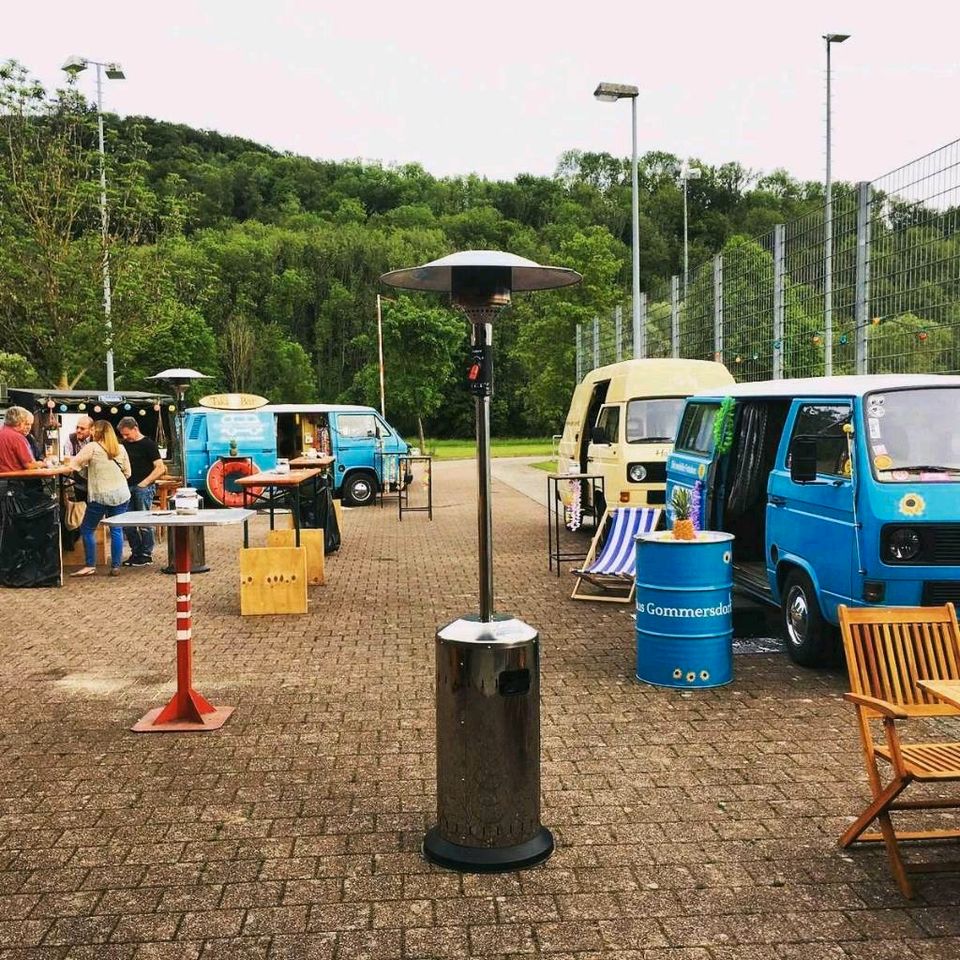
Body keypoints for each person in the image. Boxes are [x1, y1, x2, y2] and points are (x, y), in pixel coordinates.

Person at [67, 420, 131, 577]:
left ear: (97, 432)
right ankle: (115, 566)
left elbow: (74, 464)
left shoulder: (92, 447)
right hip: (121, 493)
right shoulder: (120, 448)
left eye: (93, 430)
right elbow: (128, 473)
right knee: (116, 528)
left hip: (100, 494)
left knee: (87, 529)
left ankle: (90, 565)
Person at [117, 416, 165, 566]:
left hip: (143, 487)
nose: (125, 437)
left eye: (127, 434)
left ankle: (146, 553)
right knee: (127, 523)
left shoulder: (148, 444)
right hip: (126, 487)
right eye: (123, 435)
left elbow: (160, 467)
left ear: (135, 429)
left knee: (144, 521)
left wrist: (145, 482)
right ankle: (136, 551)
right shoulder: (123, 445)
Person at [0, 406, 44, 472]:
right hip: (16, 478)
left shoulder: (2, 432)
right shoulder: (17, 437)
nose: (29, 428)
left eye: (30, 425)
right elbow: (29, 465)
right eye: (27, 424)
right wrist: (46, 464)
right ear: (18, 421)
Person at [64, 415, 93, 502]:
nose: (78, 430)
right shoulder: (71, 438)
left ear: (91, 430)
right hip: (79, 482)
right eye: (77, 427)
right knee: (81, 507)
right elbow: (67, 458)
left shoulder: (96, 439)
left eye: (82, 428)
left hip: (95, 482)